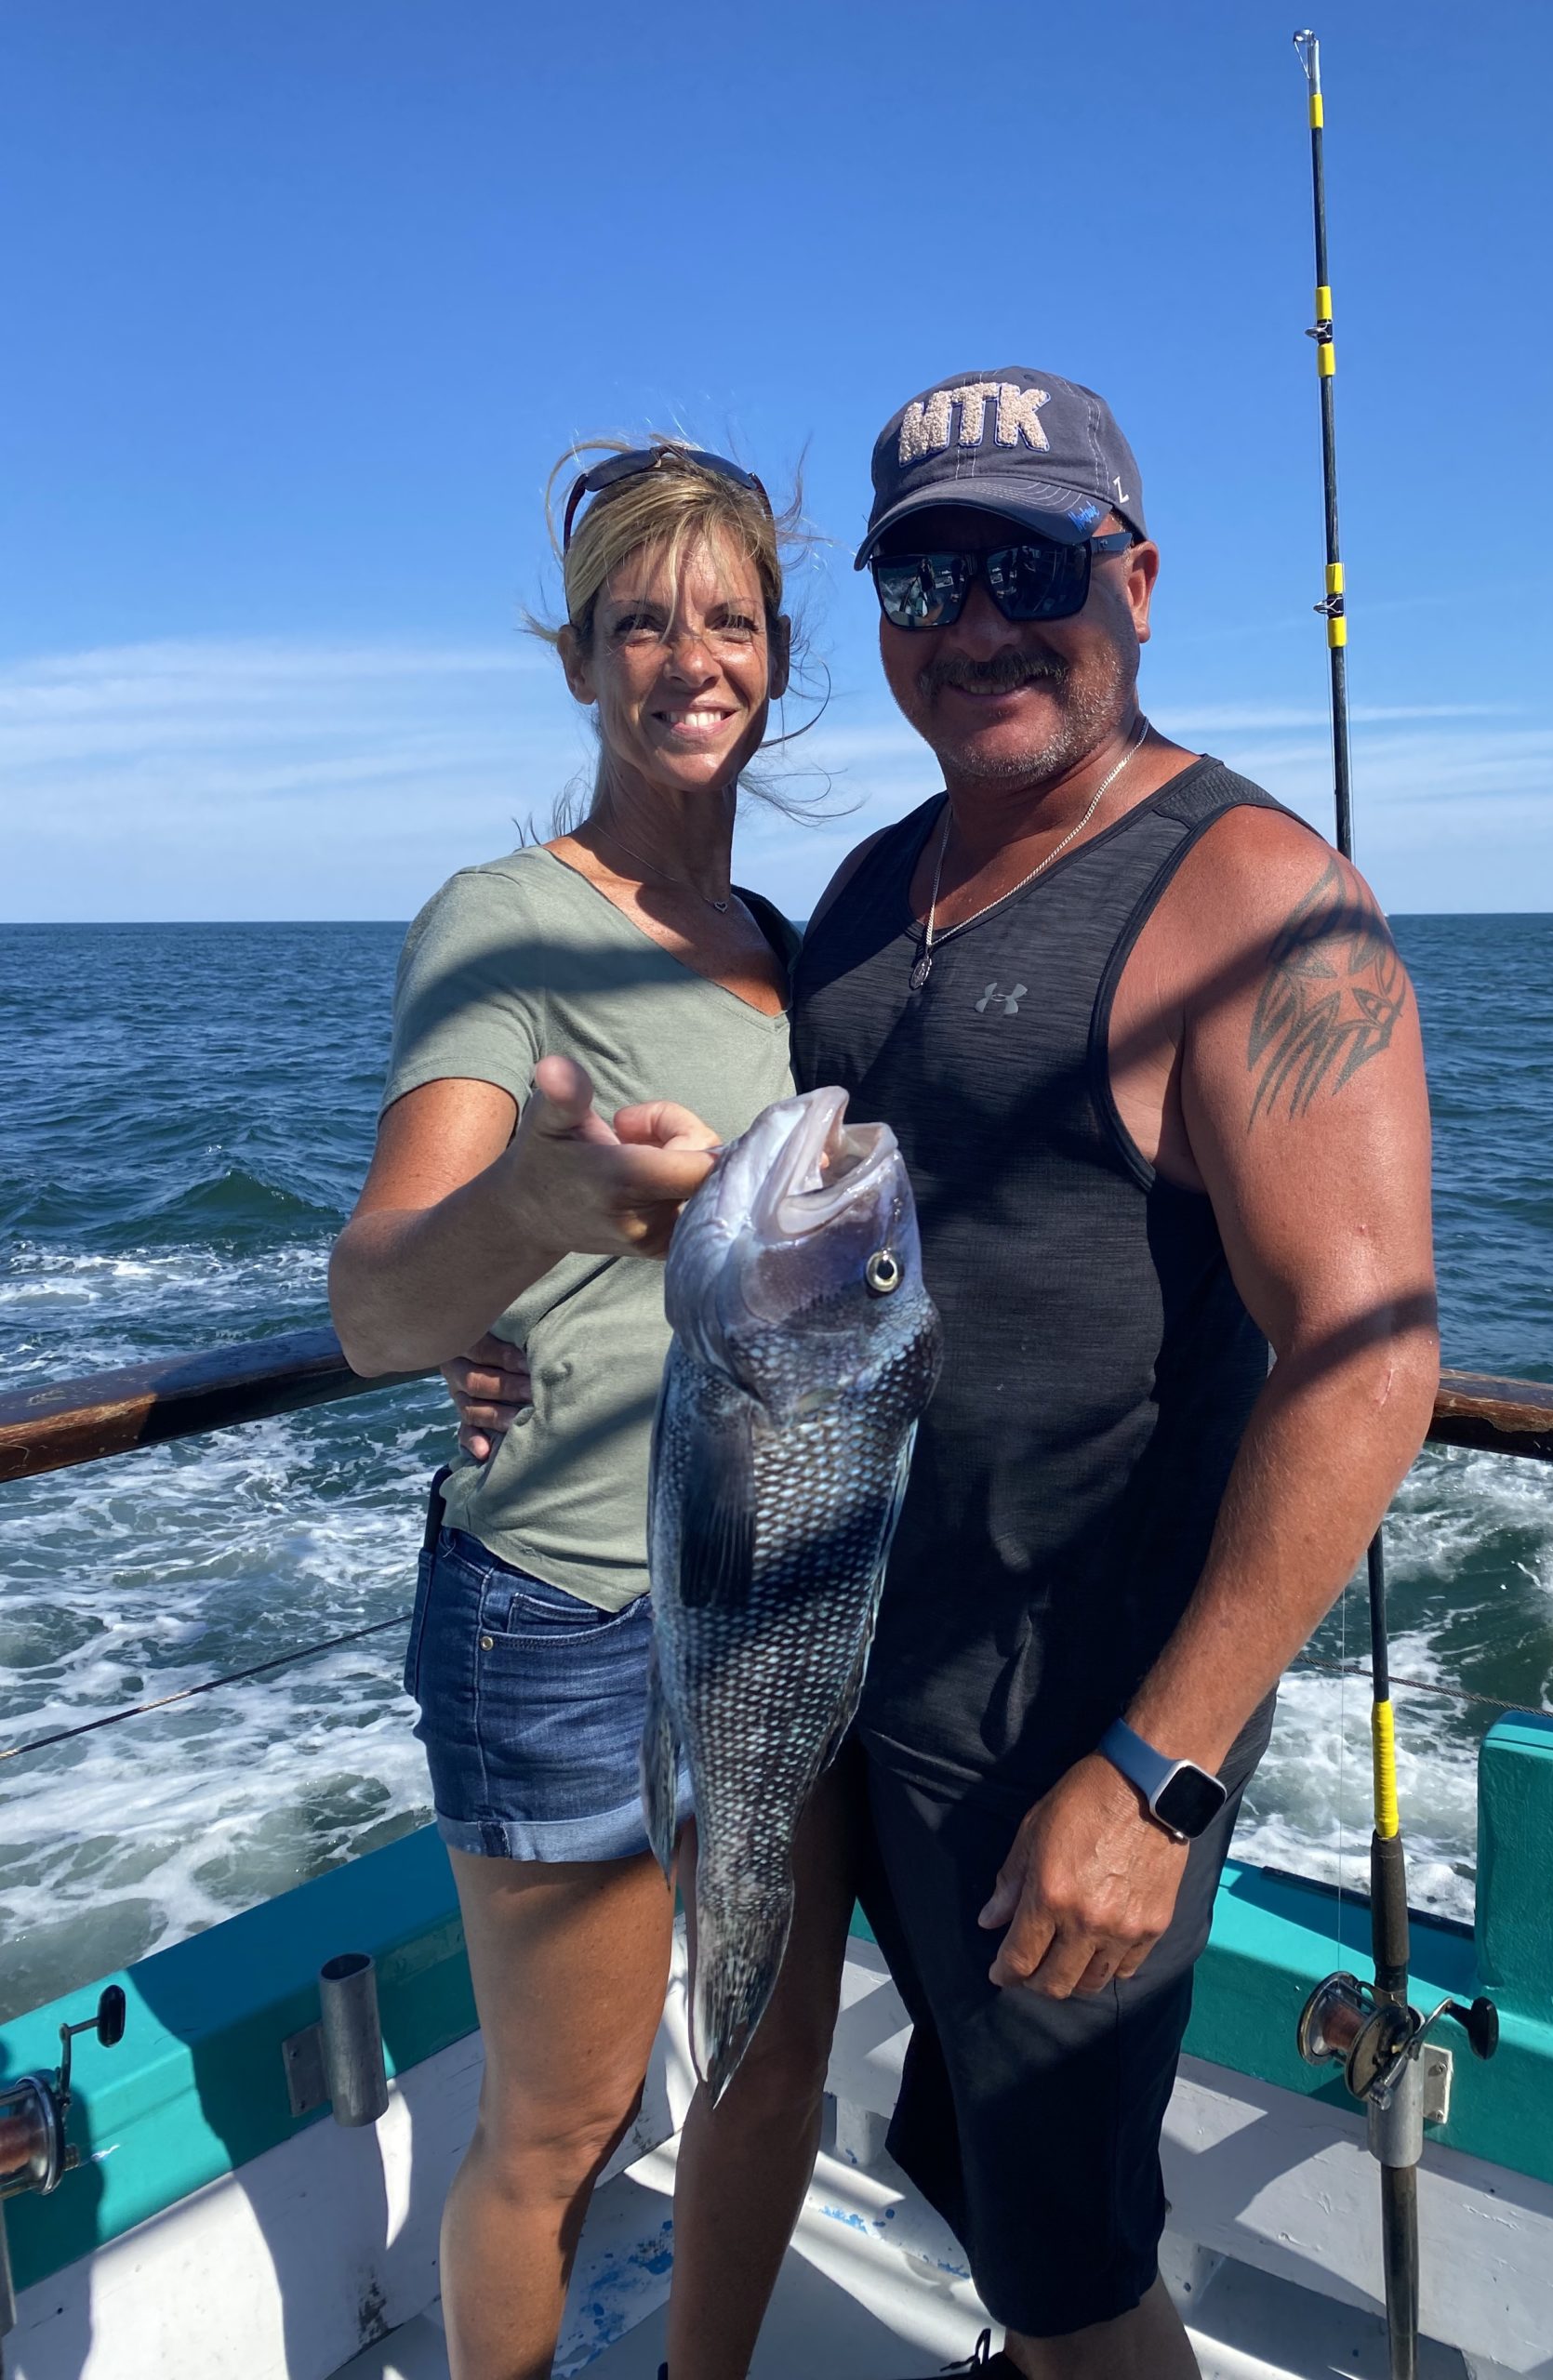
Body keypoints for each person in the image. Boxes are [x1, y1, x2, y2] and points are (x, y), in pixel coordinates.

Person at [448, 369, 1440, 2380]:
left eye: (1031, 563)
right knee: (975, 2178)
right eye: (926, 575)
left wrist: (1155, 1774)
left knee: (1076, 2280)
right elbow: (773, 1235)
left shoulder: (1260, 901)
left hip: (1069, 1740)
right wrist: (520, 1312)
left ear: (1134, 579)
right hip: (835, 1677)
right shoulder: (877, 889)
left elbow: (1367, 1362)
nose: (980, 620)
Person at [328, 440, 853, 2380]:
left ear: (775, 657)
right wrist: (535, 1207)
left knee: (770, 2046)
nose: (688, 656)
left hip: (777, 1595)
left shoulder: (795, 958)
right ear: (584, 661)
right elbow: (379, 1302)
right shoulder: (504, 922)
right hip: (558, 1605)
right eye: (644, 619)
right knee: (565, 2120)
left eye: (726, 617)